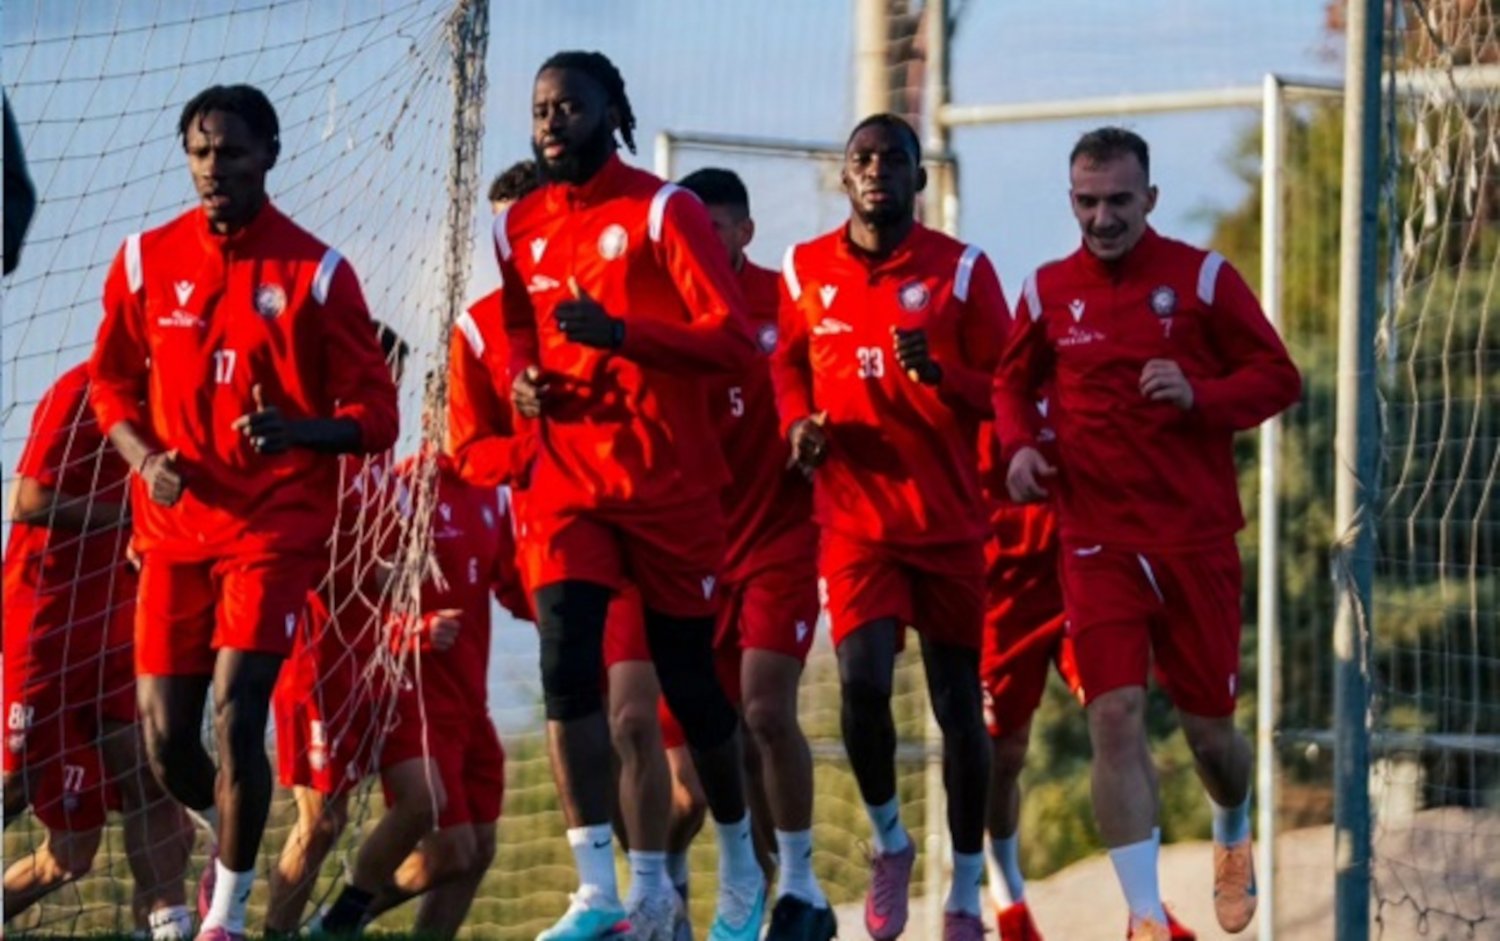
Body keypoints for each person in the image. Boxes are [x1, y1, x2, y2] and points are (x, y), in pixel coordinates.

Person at [87, 84, 400, 941]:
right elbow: (110, 384)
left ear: (269, 154)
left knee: (237, 710)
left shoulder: (318, 272)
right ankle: (230, 826)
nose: (212, 168)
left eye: (230, 152)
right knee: (165, 742)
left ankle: (224, 916)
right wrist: (144, 459)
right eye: (199, 152)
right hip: (171, 532)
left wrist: (300, 429)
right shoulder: (143, 260)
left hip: (272, 530)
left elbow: (378, 416)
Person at [994, 126, 1301, 941]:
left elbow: (1279, 377)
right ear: (1071, 201)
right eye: (1087, 202)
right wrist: (1019, 447)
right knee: (1114, 715)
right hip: (1095, 540)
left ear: (1150, 198)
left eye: (1119, 201)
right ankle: (1144, 917)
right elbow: (1010, 385)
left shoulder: (1201, 279)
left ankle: (1232, 825)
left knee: (1210, 739)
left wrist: (1200, 393)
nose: (1102, 218)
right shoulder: (1046, 290)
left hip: (1195, 541)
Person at [487, 50, 766, 941]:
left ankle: (743, 862)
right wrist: (523, 377)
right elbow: (517, 325)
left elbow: (732, 342)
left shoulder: (663, 211)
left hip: (667, 482)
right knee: (565, 664)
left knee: (688, 680)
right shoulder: (518, 223)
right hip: (567, 482)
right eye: (541, 108)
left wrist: (622, 334)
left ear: (612, 112)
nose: (551, 121)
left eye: (570, 105)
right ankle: (596, 888)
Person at [772, 113, 1006, 941]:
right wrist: (797, 425)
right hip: (854, 519)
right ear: (845, 177)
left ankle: (966, 890)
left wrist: (944, 376)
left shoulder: (963, 271)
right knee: (864, 683)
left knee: (957, 706)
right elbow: (787, 362)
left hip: (946, 519)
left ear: (919, 177)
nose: (876, 171)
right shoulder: (805, 268)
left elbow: (1008, 389)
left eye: (893, 160)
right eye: (862, 160)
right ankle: (889, 839)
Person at [676, 167, 833, 941]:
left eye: (713, 232)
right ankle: (774, 891)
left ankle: (802, 878)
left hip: (780, 537)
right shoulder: (664, 312)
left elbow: (824, 384)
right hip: (695, 547)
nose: (701, 247)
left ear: (744, 232)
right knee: (728, 736)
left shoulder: (786, 302)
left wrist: (814, 431)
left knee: (769, 709)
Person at [2, 364, 194, 939]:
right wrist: (136, 518)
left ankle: (166, 928)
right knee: (20, 792)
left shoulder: (180, 398)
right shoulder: (80, 390)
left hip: (117, 627)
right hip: (46, 626)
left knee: (149, 781)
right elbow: (27, 500)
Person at [313, 442, 513, 941]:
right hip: (417, 696)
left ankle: (346, 924)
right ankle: (336, 924)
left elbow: (514, 583)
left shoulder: (493, 490)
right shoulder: (404, 489)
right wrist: (414, 630)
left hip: (473, 701)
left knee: (479, 849)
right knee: (452, 849)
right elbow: (358, 599)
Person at [263, 324, 410, 937]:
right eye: (383, 377)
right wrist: (370, 573)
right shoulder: (321, 455)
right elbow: (300, 547)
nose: (390, 391)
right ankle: (272, 929)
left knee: (342, 816)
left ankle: (300, 926)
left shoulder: (384, 462)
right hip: (313, 656)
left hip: (361, 657)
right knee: (320, 819)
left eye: (395, 381)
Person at [974, 413, 1081, 941]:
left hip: (1080, 553)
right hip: (1002, 575)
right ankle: (1005, 891)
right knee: (1004, 752)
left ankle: (1145, 905)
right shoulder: (977, 366)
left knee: (1117, 711)